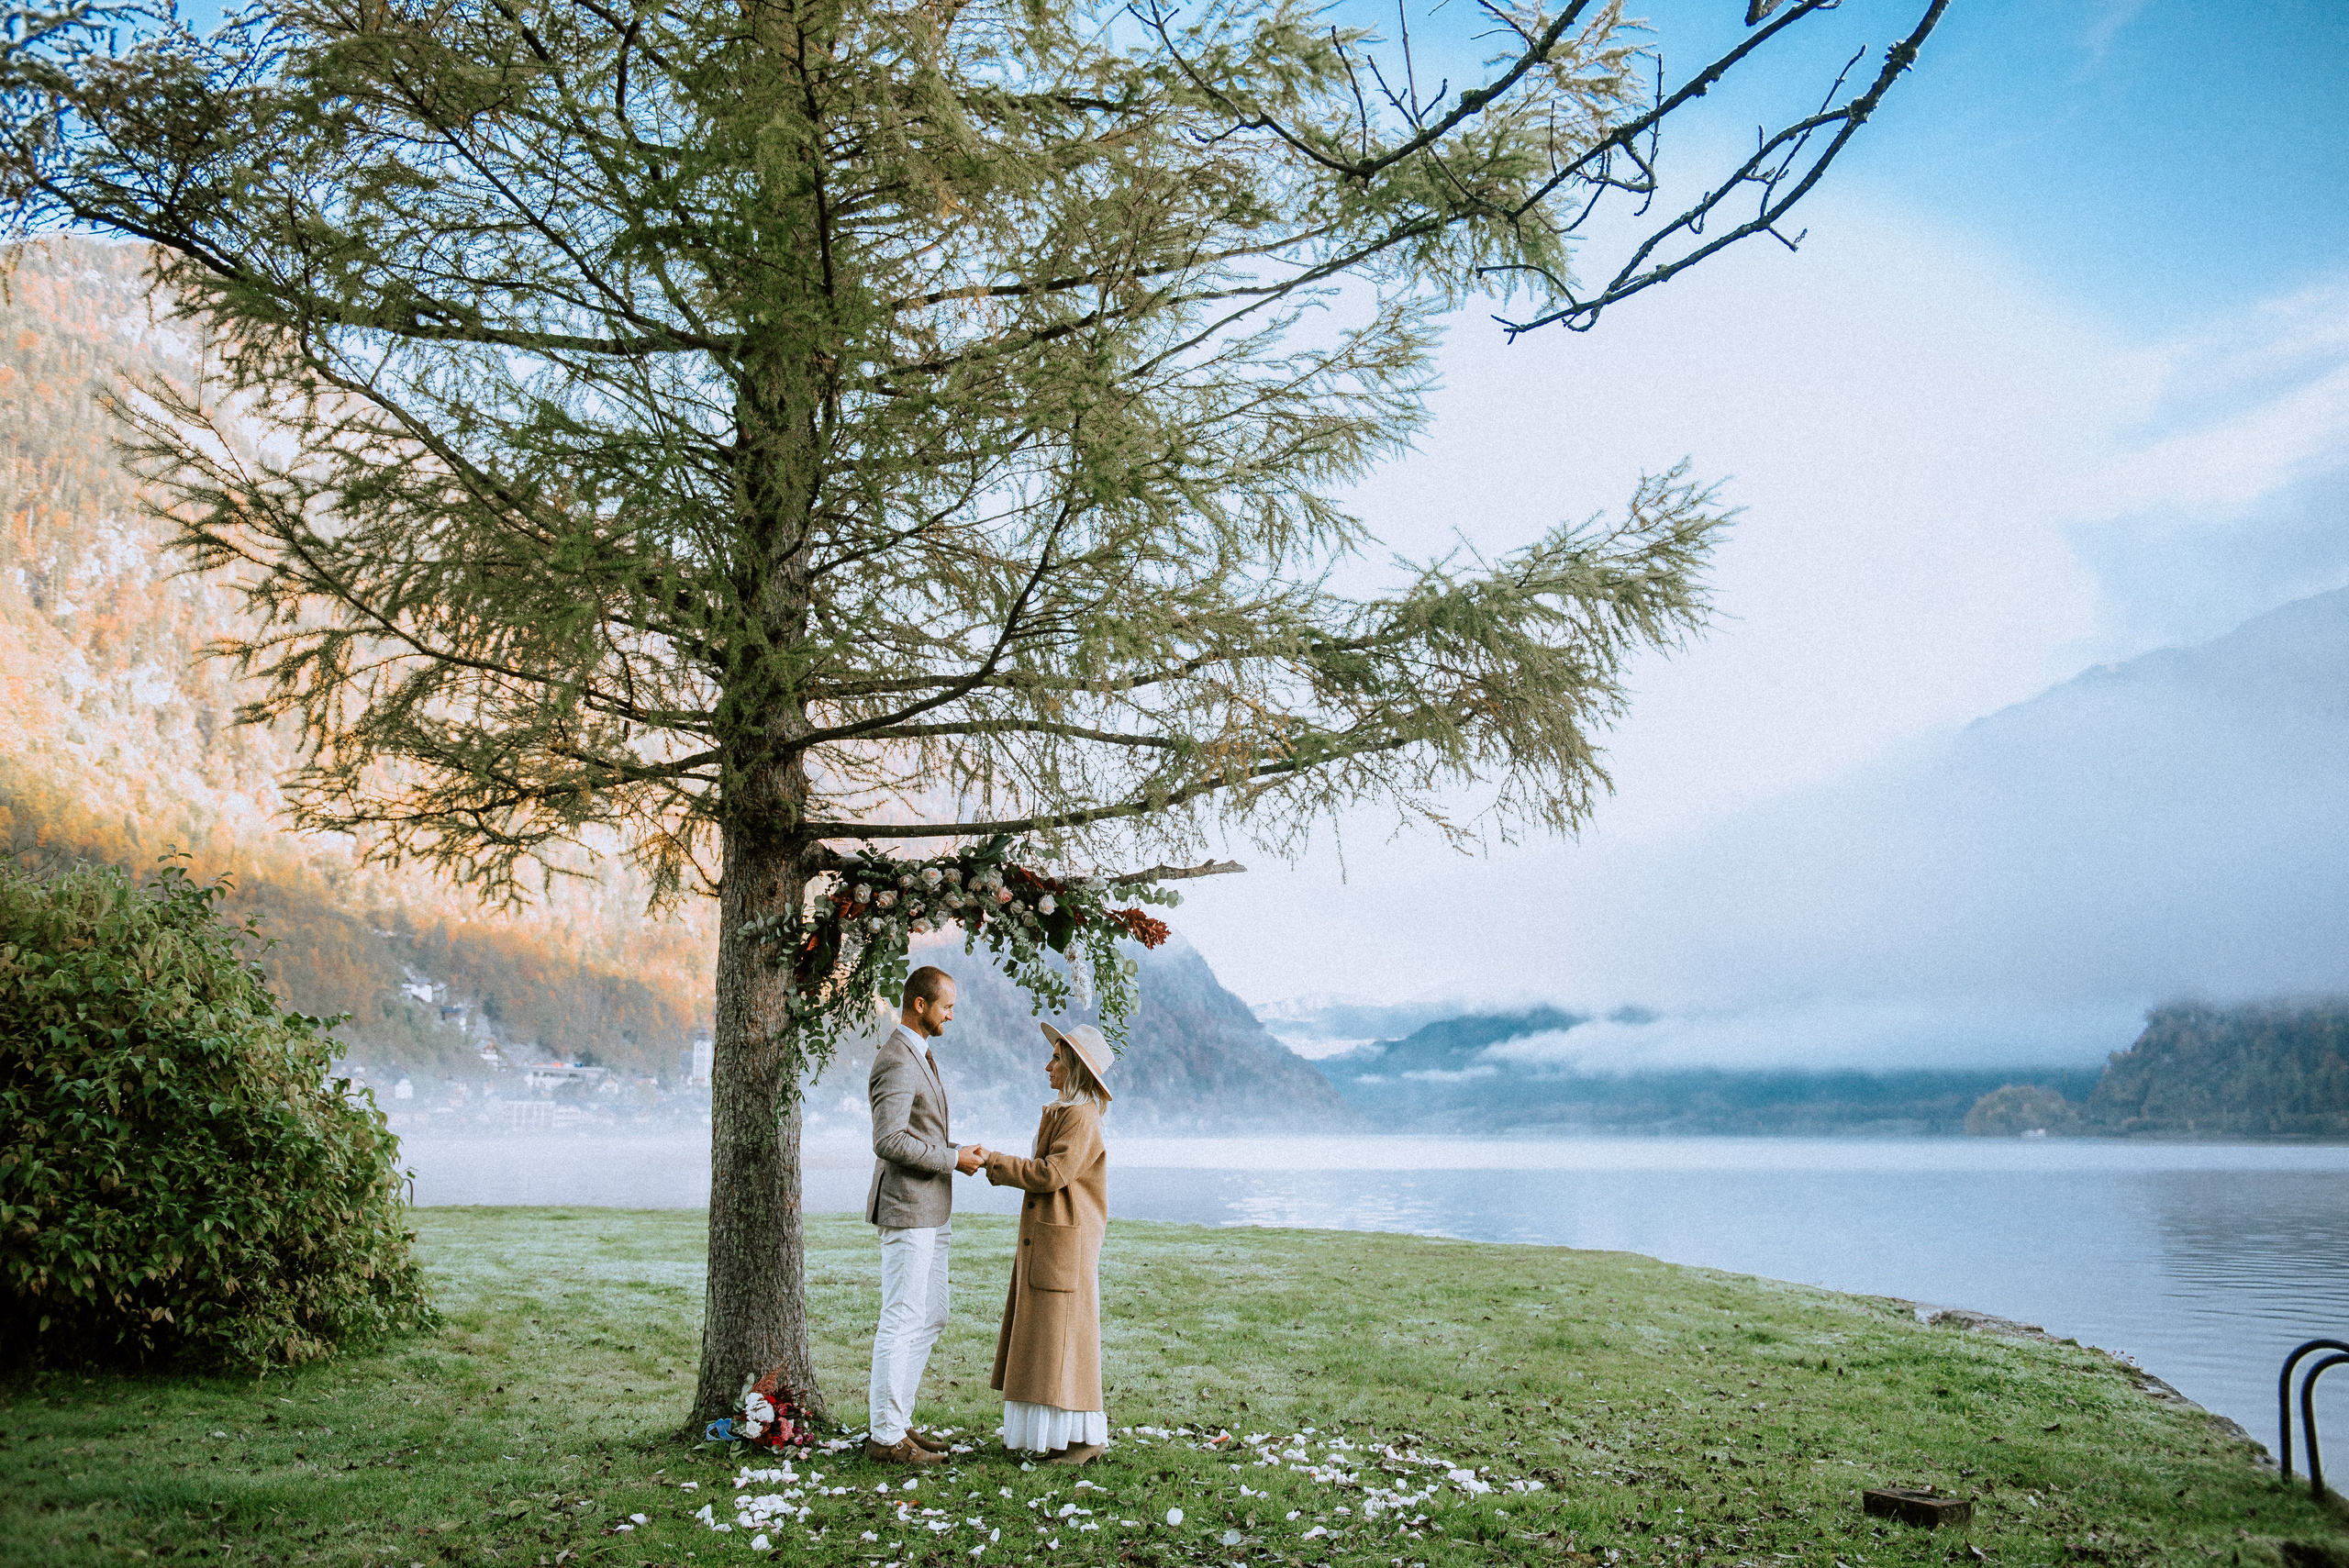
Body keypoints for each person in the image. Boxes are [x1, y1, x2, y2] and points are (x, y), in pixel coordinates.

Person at [864, 965, 987, 1465]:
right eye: (947, 1007)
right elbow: (889, 1140)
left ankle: (899, 1423)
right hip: (908, 1209)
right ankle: (885, 1437)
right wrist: (952, 1160)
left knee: (932, 1314)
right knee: (902, 1317)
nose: (951, 1016)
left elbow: (922, 1136)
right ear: (920, 1005)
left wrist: (958, 1151)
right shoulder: (896, 1059)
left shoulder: (921, 1055)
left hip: (933, 1210)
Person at [984, 1020, 1112, 1465]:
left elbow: (1051, 1174)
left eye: (1056, 1058)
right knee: (1045, 1339)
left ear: (1074, 1067)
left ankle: (1079, 1438)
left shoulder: (1081, 1117)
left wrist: (996, 1163)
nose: (1048, 1066)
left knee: (1060, 1340)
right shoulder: (1066, 1111)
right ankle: (1050, 1437)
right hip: (1051, 1240)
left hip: (1063, 1242)